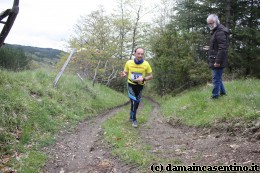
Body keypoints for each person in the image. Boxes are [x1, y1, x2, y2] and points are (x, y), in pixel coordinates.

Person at [120, 48, 153, 127]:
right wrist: (124, 74)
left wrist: (143, 79)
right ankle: (134, 120)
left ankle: (132, 113)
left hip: (140, 85)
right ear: (134, 54)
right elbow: (125, 72)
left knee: (137, 102)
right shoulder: (129, 63)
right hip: (131, 84)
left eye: (142, 54)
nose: (140, 55)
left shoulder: (146, 64)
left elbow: (151, 76)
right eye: (138, 53)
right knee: (133, 100)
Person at [204, 14, 230, 99]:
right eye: (209, 23)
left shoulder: (220, 32)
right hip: (216, 58)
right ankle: (223, 93)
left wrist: (217, 62)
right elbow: (218, 46)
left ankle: (215, 97)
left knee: (215, 79)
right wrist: (210, 48)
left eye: (211, 23)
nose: (210, 25)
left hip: (218, 60)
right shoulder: (216, 30)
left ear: (216, 21)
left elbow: (222, 48)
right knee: (218, 77)